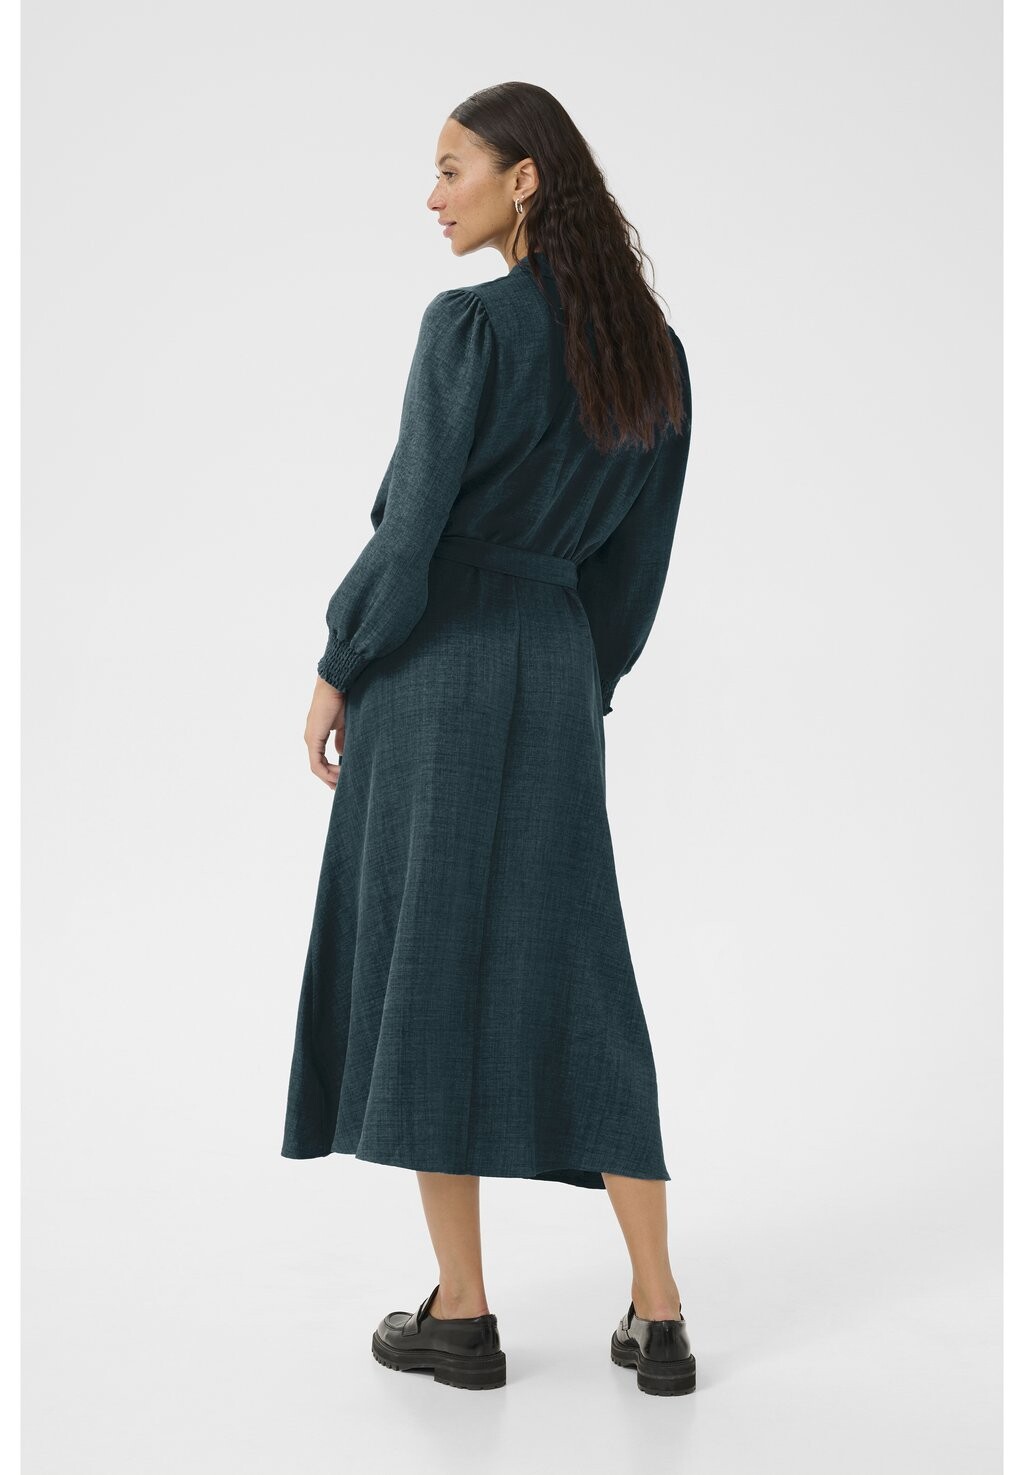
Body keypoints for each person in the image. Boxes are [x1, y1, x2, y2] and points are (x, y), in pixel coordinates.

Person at [281, 82, 695, 1398]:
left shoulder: (467, 327)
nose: (433, 194)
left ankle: (460, 1314)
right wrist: (579, 682)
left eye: (452, 167)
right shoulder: (655, 356)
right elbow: (636, 567)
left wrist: (340, 664)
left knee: (425, 962)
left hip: (437, 664)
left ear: (525, 179)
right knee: (582, 968)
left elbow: (412, 532)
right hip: (557, 661)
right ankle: (660, 1313)